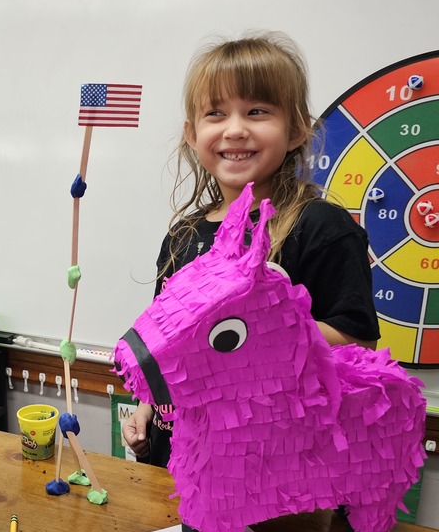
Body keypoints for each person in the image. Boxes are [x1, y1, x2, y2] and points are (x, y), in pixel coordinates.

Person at [122, 32, 380, 468]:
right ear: (192, 132)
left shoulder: (319, 227)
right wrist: (148, 403)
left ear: (297, 128)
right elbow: (168, 344)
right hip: (176, 459)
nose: (236, 129)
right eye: (215, 113)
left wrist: (249, 333)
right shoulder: (183, 235)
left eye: (257, 111)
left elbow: (359, 344)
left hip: (270, 471)